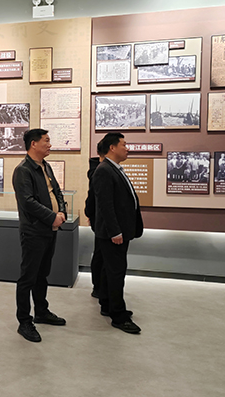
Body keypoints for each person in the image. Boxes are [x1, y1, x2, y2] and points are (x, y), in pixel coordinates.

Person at [12, 128, 67, 343]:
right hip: (34, 231)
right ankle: (24, 321)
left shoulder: (46, 166)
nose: (50, 144)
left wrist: (62, 212)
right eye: (46, 140)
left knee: (42, 274)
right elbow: (27, 202)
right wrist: (52, 216)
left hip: (49, 229)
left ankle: (41, 311)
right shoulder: (23, 170)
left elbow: (57, 192)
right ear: (33, 144)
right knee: (28, 277)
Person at [92, 132, 143, 334]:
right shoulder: (104, 171)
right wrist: (115, 231)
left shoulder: (114, 169)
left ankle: (107, 304)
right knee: (116, 272)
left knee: (109, 270)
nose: (127, 148)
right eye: (124, 144)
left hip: (119, 231)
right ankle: (118, 316)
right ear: (112, 148)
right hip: (113, 233)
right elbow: (105, 205)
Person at [84, 140, 104, 299]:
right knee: (100, 254)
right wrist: (91, 214)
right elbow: (93, 197)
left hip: (100, 219)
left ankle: (100, 286)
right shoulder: (99, 171)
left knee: (101, 254)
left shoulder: (102, 169)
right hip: (102, 220)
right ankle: (98, 287)